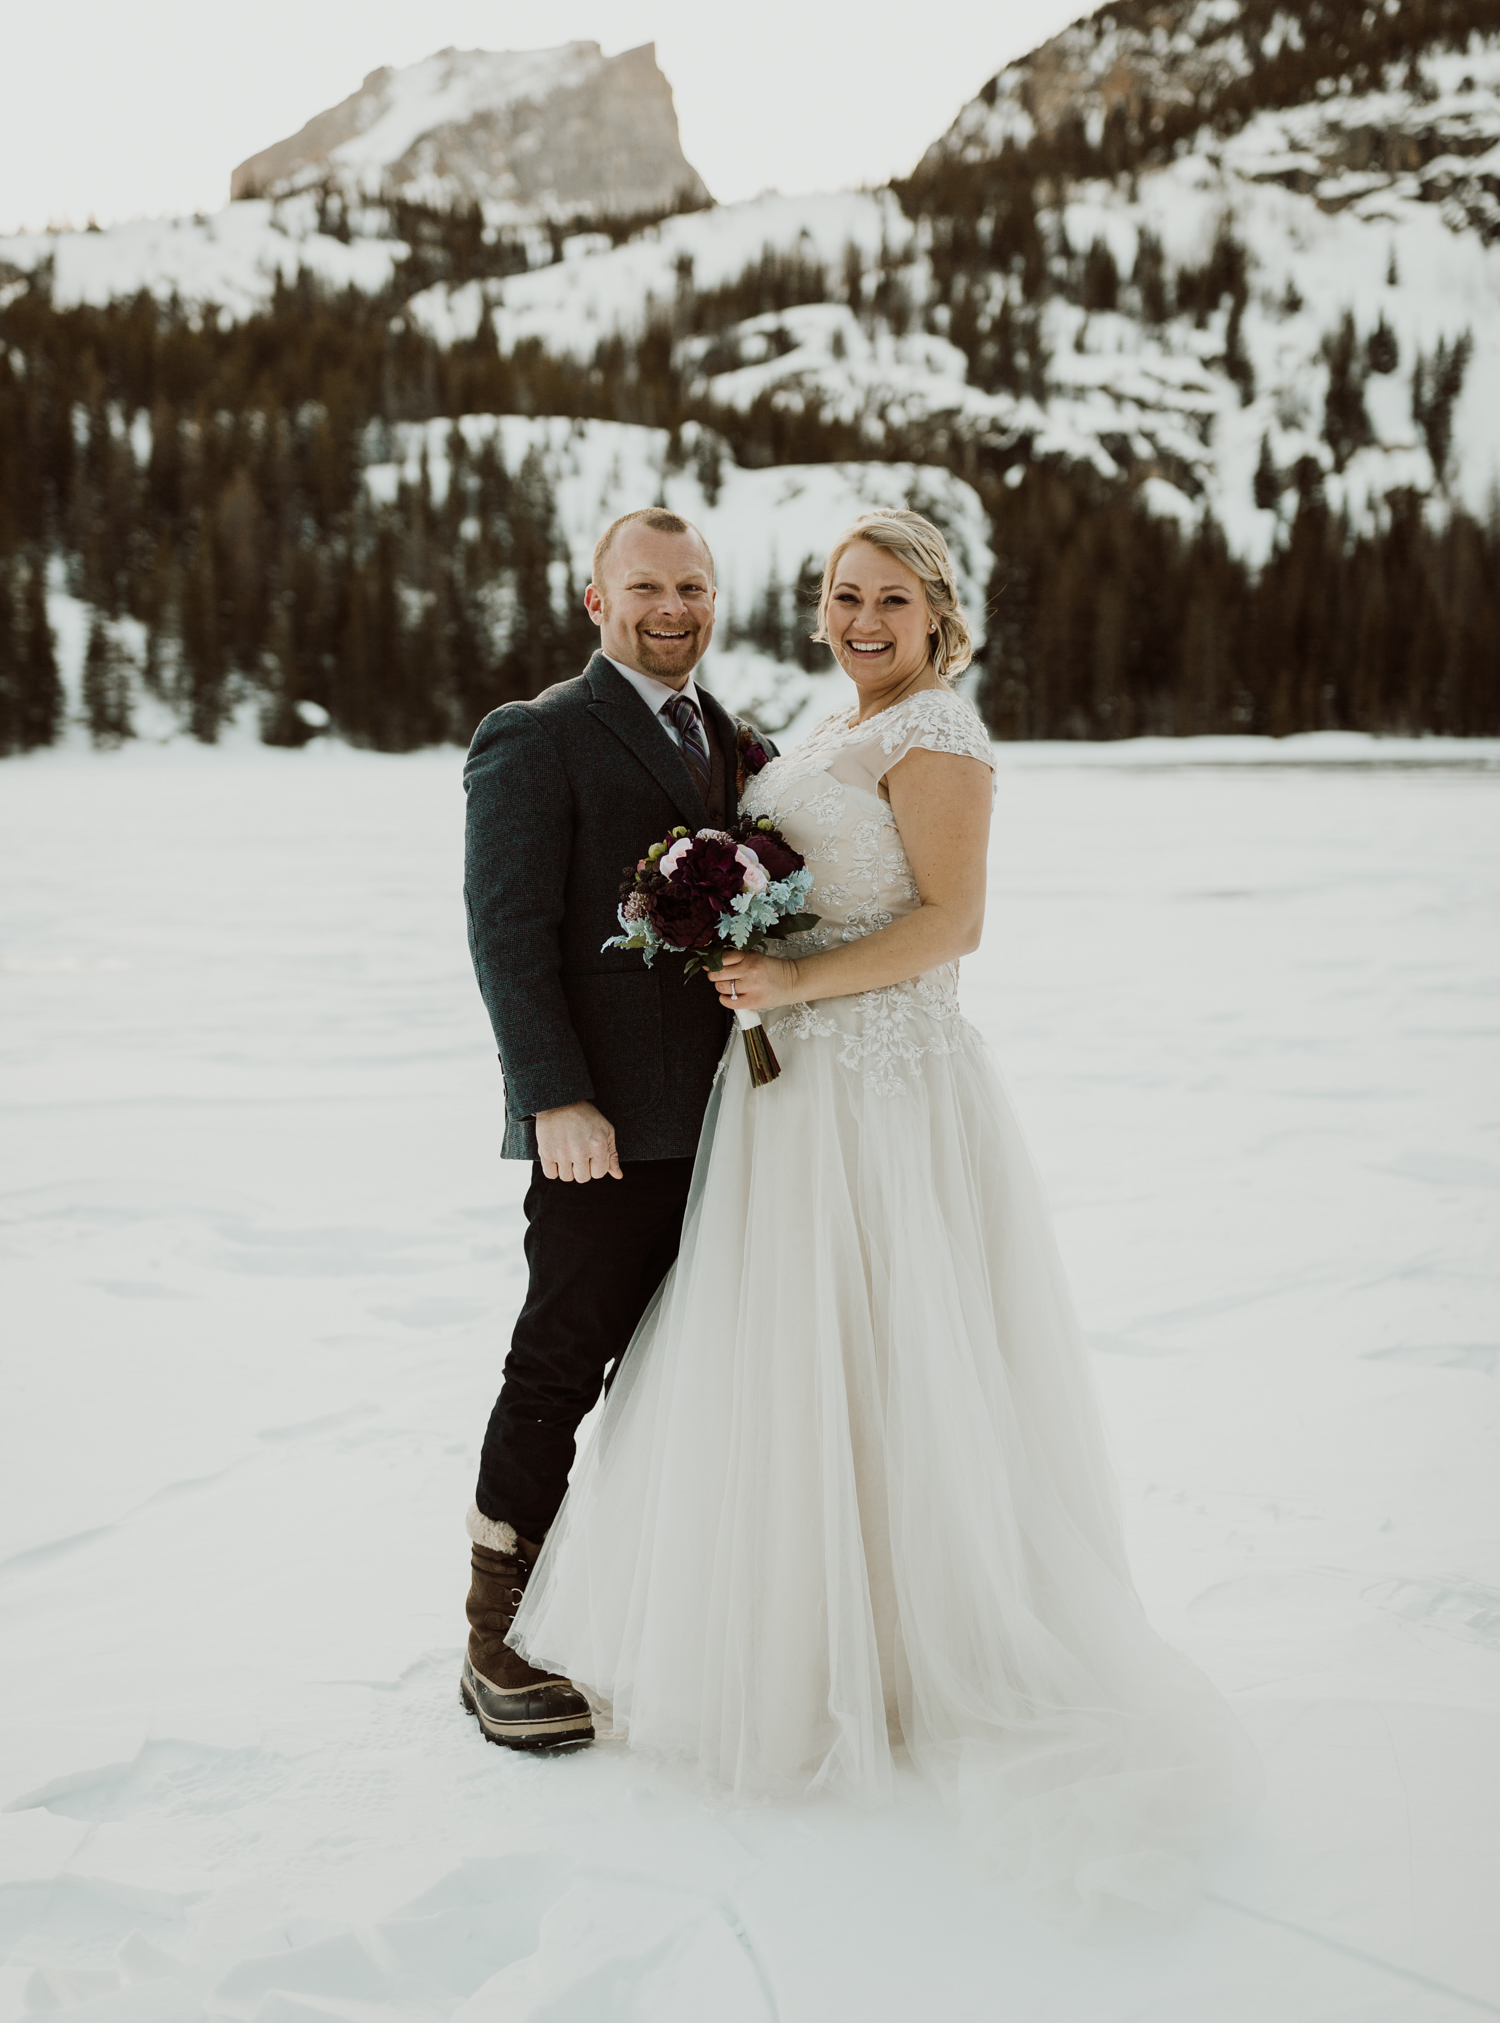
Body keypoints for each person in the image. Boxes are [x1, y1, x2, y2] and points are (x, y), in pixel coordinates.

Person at [509, 508, 1259, 1934]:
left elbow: (952, 923)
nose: (863, 618)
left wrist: (795, 984)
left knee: (905, 1353)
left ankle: (929, 1648)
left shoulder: (942, 736)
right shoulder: (818, 724)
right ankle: (805, 1634)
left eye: (892, 599)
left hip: (890, 1089)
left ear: (938, 614)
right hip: (793, 1102)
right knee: (799, 1359)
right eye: (844, 594)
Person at [460, 505, 775, 1750]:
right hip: (605, 1128)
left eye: (692, 586)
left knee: (718, 1372)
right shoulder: (534, 738)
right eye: (644, 586)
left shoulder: (737, 741)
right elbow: (506, 931)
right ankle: (500, 1638)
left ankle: (689, 1618)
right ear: (596, 601)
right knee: (559, 1365)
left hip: (746, 1125)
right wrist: (553, 1096)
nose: (672, 608)